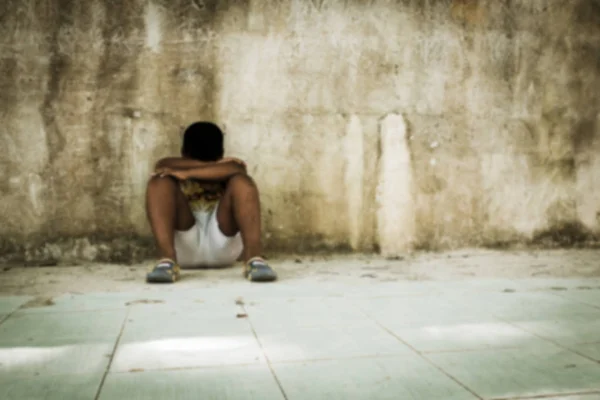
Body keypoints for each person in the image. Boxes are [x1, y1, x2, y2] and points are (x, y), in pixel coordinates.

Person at [144, 121, 277, 283]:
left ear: (183, 151)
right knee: (159, 181)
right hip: (183, 245)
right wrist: (215, 166)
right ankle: (167, 261)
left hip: (223, 241)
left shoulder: (232, 167)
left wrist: (186, 174)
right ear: (221, 152)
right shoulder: (169, 165)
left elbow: (237, 169)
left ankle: (254, 259)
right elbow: (162, 166)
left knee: (242, 182)